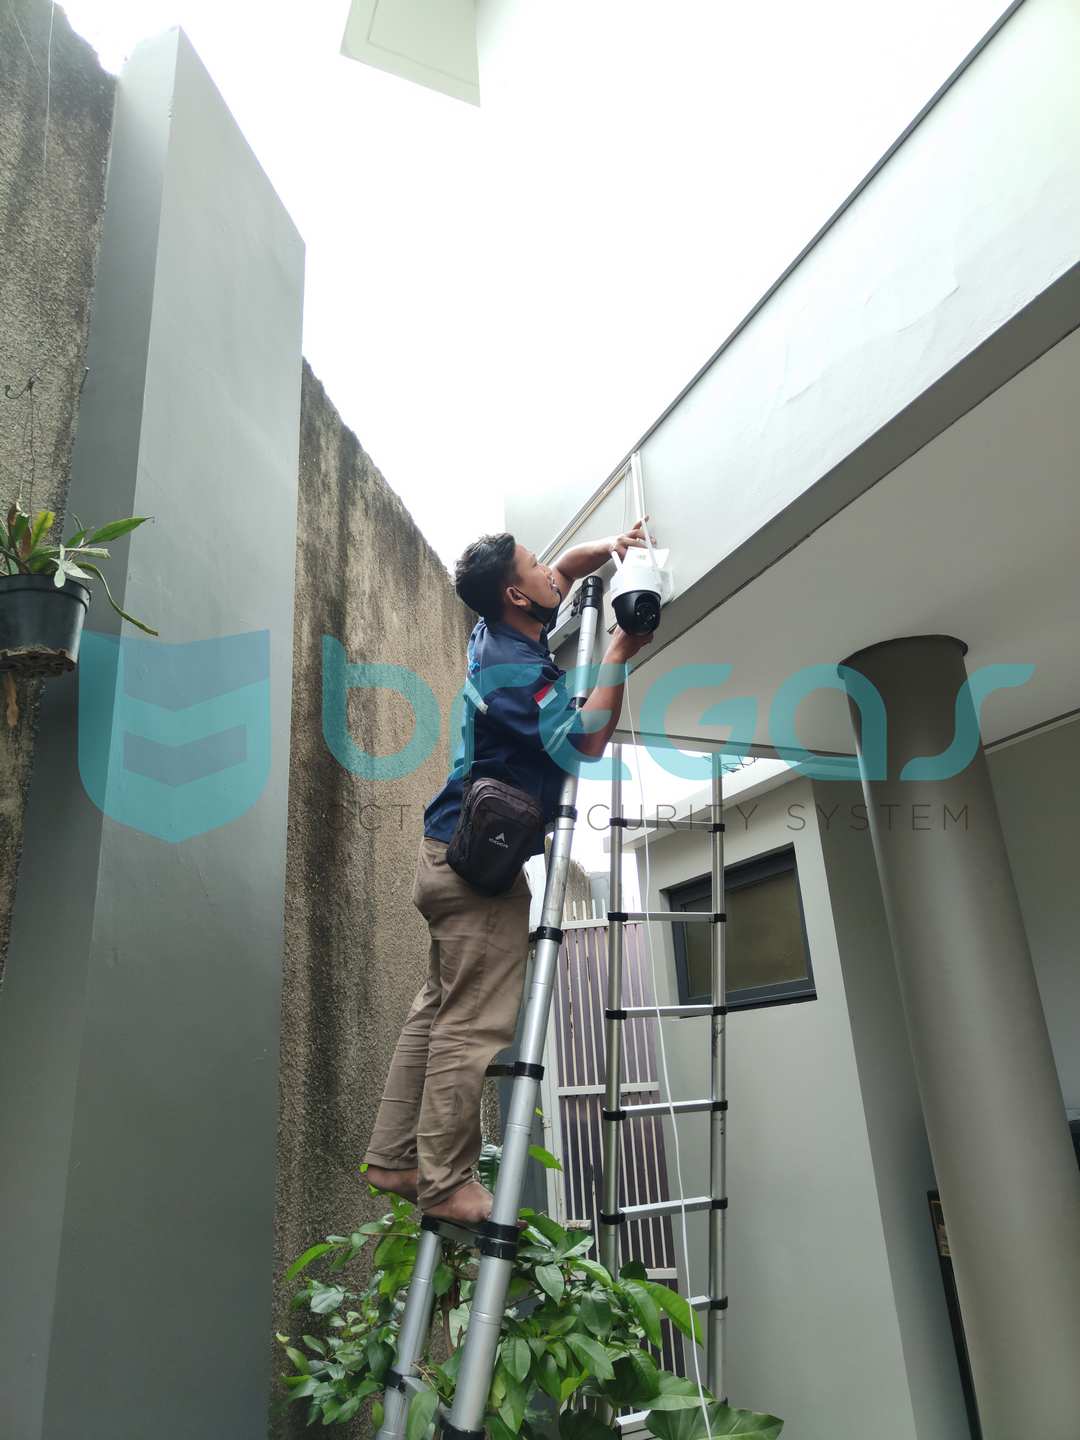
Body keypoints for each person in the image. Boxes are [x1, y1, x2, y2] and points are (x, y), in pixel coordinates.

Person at [362, 519, 657, 1224]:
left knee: (437, 1009)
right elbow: (584, 740)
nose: (549, 571)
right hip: (477, 875)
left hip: (447, 854)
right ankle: (444, 1183)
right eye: (534, 566)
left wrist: (603, 551)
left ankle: (394, 1159)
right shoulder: (513, 670)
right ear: (515, 596)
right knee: (470, 1024)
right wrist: (622, 646)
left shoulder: (499, 627)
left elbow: (560, 574)